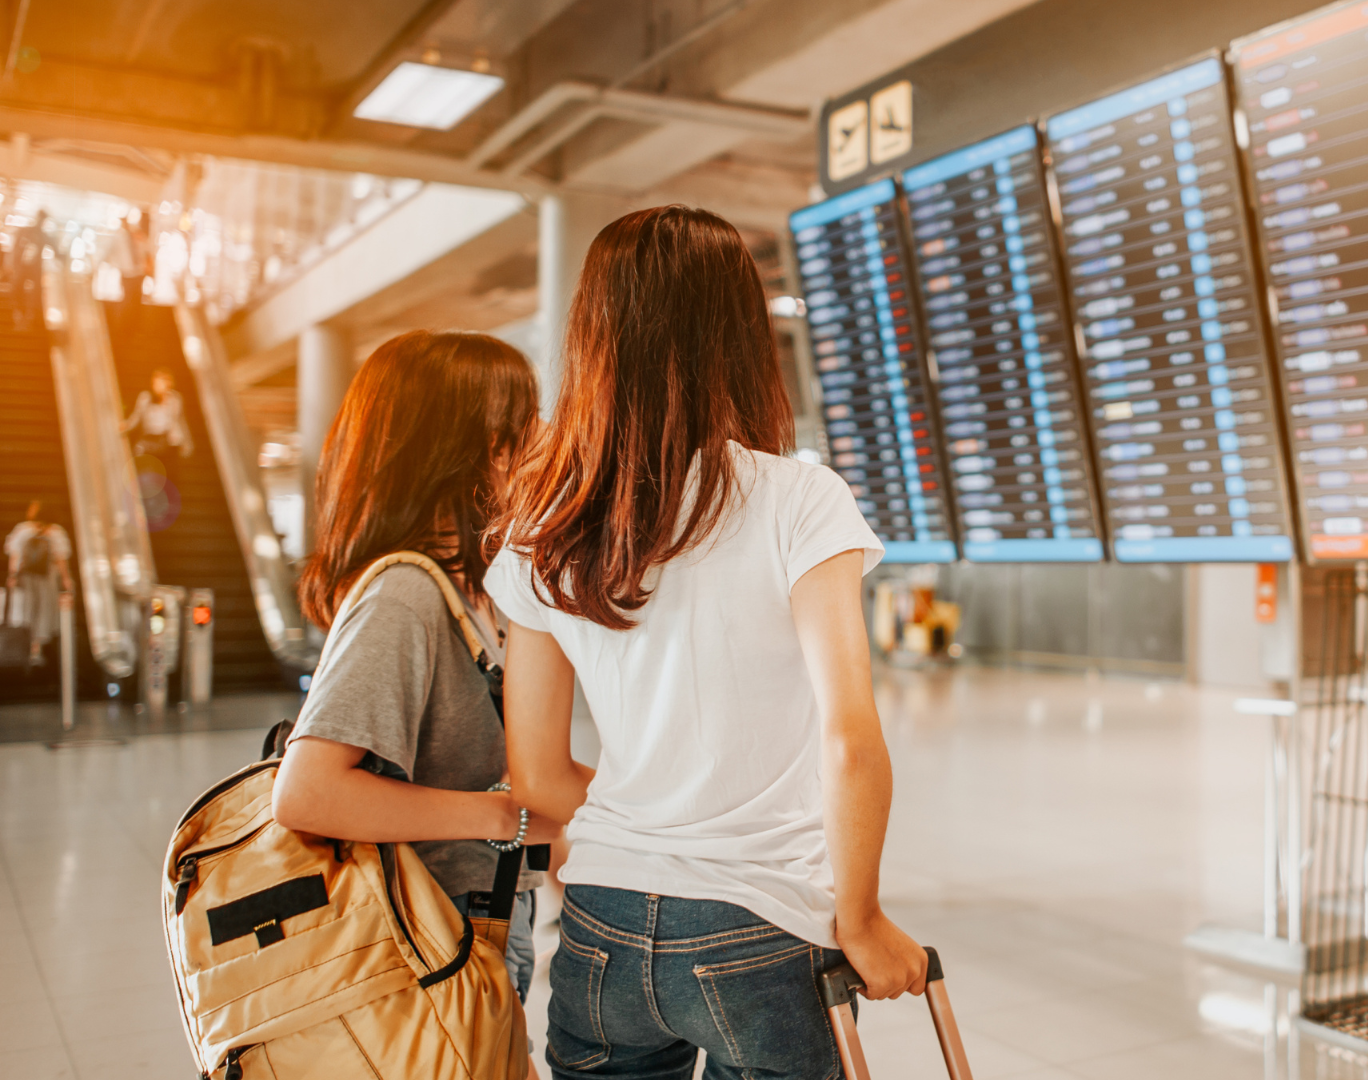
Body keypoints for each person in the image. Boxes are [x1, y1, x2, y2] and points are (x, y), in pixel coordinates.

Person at [489, 205, 927, 1080]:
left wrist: (648, 827)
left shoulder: (542, 528)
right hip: (762, 926)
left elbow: (536, 778)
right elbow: (849, 739)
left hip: (600, 922)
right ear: (737, 333)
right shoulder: (800, 501)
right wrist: (864, 918)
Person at [270, 330, 561, 1022]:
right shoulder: (405, 594)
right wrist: (501, 815)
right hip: (422, 944)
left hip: (474, 925)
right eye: (517, 430)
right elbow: (308, 792)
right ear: (459, 455)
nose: (541, 441)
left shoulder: (472, 595)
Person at [5, 500, 72, 666]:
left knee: (27, 609)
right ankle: (37, 650)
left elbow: (15, 555)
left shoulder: (22, 530)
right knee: (43, 611)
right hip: (47, 578)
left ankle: (24, 647)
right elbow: (61, 559)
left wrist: (12, 575)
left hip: (26, 578)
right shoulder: (56, 532)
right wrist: (65, 578)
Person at [122, 366, 194, 460]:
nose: (155, 386)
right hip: (150, 441)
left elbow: (180, 421)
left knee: (169, 470)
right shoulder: (145, 397)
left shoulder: (175, 399)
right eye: (154, 382)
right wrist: (126, 426)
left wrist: (187, 443)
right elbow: (136, 416)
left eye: (160, 383)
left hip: (168, 443)